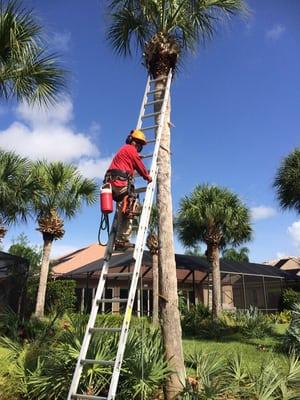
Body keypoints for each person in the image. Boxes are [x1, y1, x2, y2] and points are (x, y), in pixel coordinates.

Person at [104, 129, 152, 250]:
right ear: (134, 142)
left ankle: (118, 239)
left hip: (111, 185)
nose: (139, 147)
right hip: (120, 183)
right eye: (139, 144)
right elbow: (140, 166)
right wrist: (147, 177)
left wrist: (136, 158)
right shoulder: (131, 150)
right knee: (130, 207)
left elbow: (129, 161)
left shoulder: (123, 149)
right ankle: (122, 240)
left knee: (123, 207)